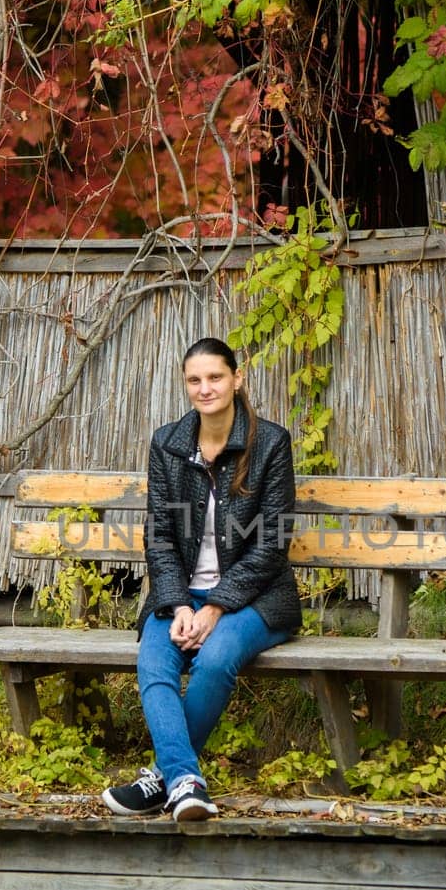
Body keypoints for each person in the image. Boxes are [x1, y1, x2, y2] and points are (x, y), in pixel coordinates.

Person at [102, 337, 301, 821]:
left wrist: (215, 607)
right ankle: (186, 781)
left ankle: (162, 777)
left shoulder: (270, 443)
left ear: (237, 379)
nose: (205, 388)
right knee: (154, 663)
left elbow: (271, 544)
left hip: (256, 597)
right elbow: (161, 537)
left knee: (214, 660)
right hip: (182, 594)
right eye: (194, 379)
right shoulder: (168, 444)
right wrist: (180, 604)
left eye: (215, 377)